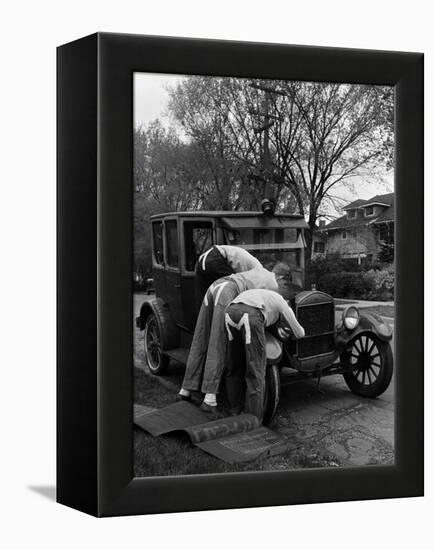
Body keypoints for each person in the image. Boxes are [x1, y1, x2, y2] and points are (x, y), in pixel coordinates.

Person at [178, 266, 279, 417]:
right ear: (282, 277)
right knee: (218, 341)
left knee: (201, 337)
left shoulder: (257, 270)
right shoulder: (273, 283)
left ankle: (185, 390)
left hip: (214, 286)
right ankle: (209, 400)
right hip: (227, 290)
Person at [224, 288, 305, 421]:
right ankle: (253, 419)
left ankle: (234, 410)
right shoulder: (282, 303)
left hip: (229, 312)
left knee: (234, 365)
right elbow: (300, 333)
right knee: (256, 371)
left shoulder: (263, 294)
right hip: (250, 316)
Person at [194, 245, 262, 311]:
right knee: (230, 290)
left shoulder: (252, 265)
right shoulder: (259, 271)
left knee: (204, 298)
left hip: (203, 258)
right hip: (215, 257)